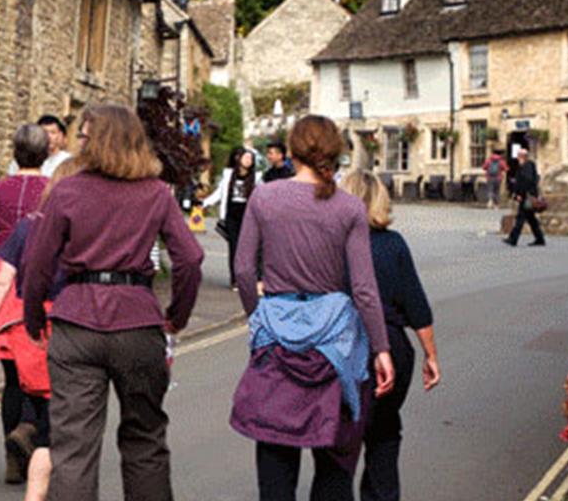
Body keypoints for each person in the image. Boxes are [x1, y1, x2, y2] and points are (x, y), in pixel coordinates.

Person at [22, 104, 204, 501]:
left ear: (98, 141)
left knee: (73, 449)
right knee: (145, 440)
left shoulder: (67, 189)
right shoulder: (156, 192)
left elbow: (37, 262)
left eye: (84, 136)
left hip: (76, 323)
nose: (79, 143)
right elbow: (191, 258)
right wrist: (177, 316)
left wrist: (33, 318)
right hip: (138, 322)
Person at [231, 115, 394, 501]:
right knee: (336, 462)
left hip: (276, 339)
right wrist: (381, 348)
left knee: (275, 456)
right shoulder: (350, 208)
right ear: (334, 153)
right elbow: (364, 288)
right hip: (335, 346)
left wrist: (259, 317)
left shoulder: (264, 197)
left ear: (291, 151)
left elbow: (241, 268)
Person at [0, 157, 86, 501]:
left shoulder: (26, 227)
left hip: (26, 325)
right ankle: (34, 442)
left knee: (30, 391)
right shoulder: (84, 230)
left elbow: (1, 282)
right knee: (60, 422)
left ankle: (26, 430)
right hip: (68, 325)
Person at [340, 172, 441, 501]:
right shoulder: (393, 244)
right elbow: (417, 306)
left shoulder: (333, 244)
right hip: (392, 348)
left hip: (341, 347)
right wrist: (431, 356)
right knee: (383, 433)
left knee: (341, 439)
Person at [0, 124, 53, 483]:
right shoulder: (54, 192)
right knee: (44, 375)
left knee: (14, 380)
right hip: (39, 285)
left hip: (0, 289)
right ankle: (34, 436)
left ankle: (13, 458)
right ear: (46, 154)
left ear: (14, 153)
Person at [202, 147, 259, 290]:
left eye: (251, 159)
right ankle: (235, 280)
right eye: (246, 157)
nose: (248, 160)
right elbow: (219, 193)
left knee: (248, 249)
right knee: (234, 247)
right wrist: (205, 203)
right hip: (232, 216)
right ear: (239, 159)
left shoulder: (256, 178)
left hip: (248, 217)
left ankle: (248, 278)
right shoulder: (229, 175)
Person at [504, 147, 547, 247]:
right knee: (531, 219)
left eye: (518, 156)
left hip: (526, 197)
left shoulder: (526, 166)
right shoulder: (528, 165)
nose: (517, 158)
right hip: (529, 195)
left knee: (520, 218)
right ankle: (539, 239)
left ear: (522, 157)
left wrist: (520, 194)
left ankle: (513, 239)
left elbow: (526, 181)